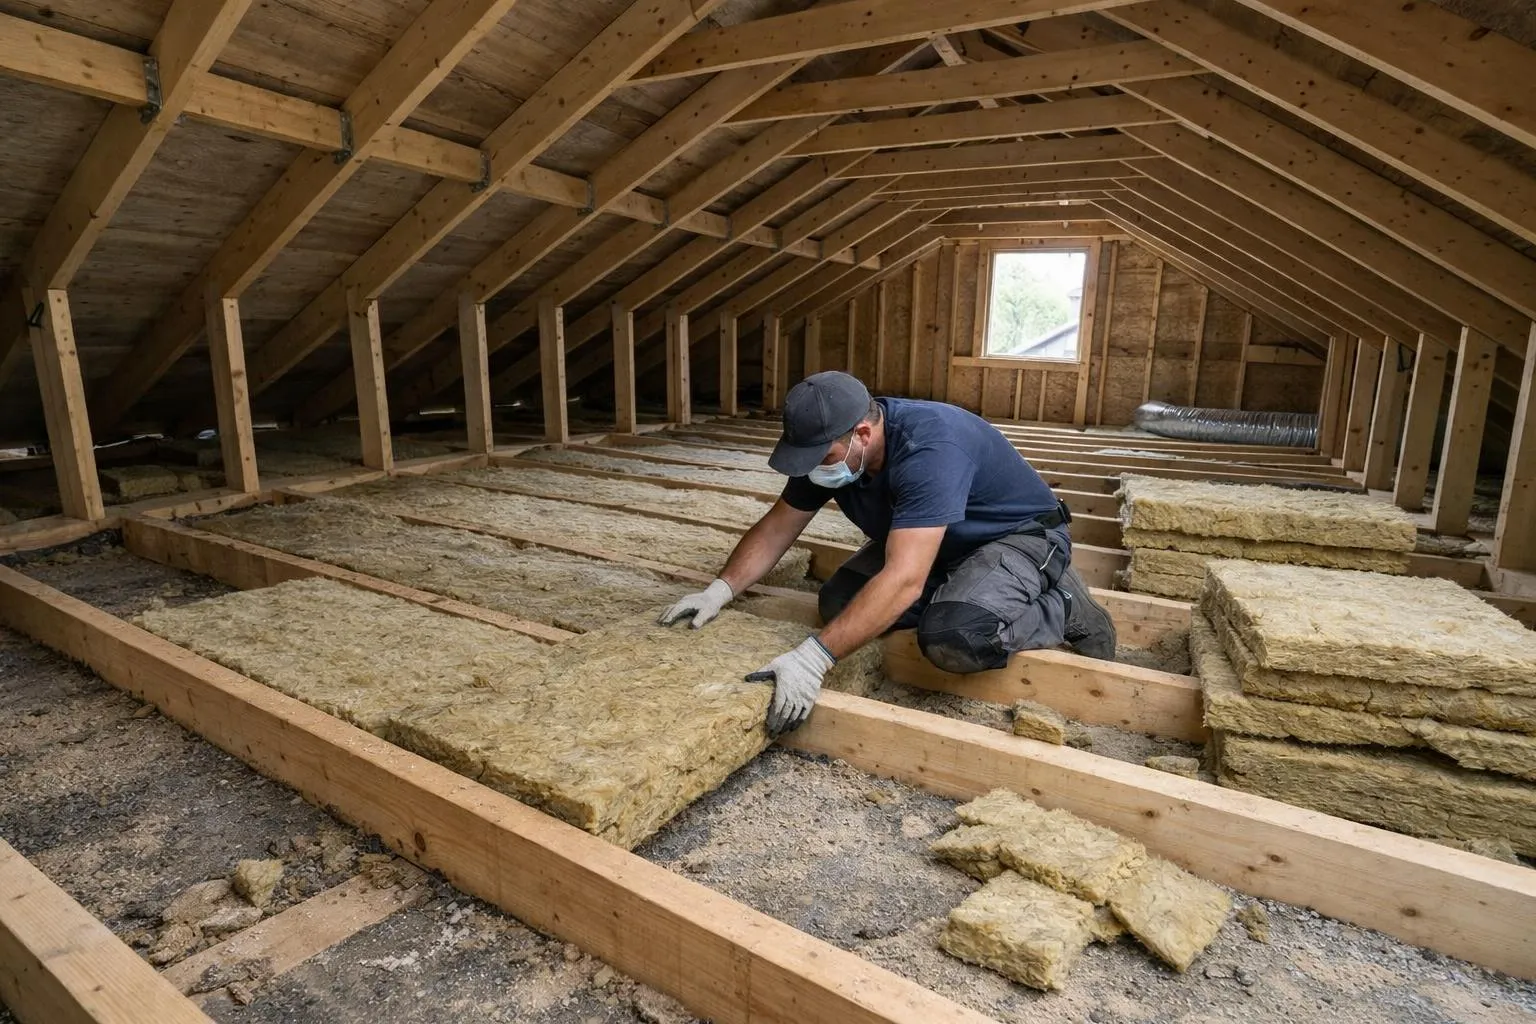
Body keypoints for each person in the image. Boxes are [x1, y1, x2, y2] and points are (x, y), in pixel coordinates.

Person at [659, 371, 1115, 735]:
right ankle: (971, 590)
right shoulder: (828, 451)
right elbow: (779, 526)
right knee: (841, 607)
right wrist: (720, 590)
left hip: (1014, 539)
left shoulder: (930, 449)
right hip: (934, 542)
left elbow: (903, 580)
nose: (815, 467)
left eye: (823, 456)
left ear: (862, 432)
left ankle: (1065, 604)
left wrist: (813, 659)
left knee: (956, 638)